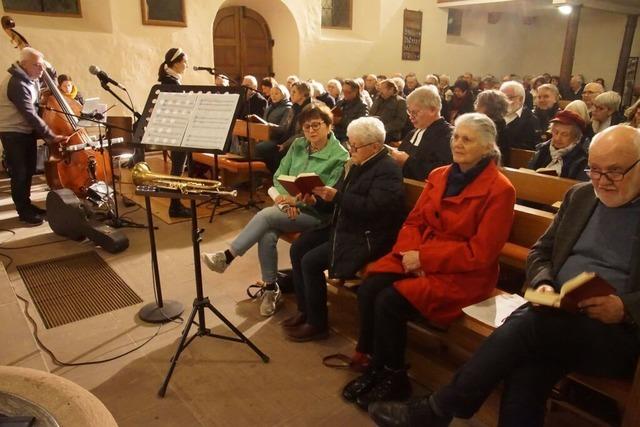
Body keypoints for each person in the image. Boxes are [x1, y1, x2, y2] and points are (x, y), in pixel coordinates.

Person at [369, 124, 640, 427]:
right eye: (594, 170)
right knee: (528, 364)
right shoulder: (581, 196)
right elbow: (541, 252)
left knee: (531, 327)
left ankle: (440, 408)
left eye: (614, 172)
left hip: (618, 332)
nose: (602, 182)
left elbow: (484, 250)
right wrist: (544, 282)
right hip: (559, 310)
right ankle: (434, 407)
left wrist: (624, 308)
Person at [342, 113, 516, 411]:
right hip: (419, 256)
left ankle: (395, 377)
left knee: (389, 301)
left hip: (464, 272)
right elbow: (413, 222)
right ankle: (375, 364)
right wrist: (412, 255)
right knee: (371, 286)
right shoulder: (439, 175)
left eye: (467, 139)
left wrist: (426, 259)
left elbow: (481, 252)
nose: (457, 144)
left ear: (487, 147)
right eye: (456, 137)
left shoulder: (500, 189)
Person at [202, 103, 349, 317]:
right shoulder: (299, 144)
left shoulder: (339, 156)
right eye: (306, 127)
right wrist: (283, 202)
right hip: (288, 207)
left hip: (318, 216)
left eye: (316, 125)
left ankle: (227, 256)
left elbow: (326, 195)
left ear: (329, 126)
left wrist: (292, 202)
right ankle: (271, 289)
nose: (311, 131)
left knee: (265, 216)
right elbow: (279, 175)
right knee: (267, 234)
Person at [285, 117, 405, 341]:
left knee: (310, 262)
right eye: (350, 143)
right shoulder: (357, 163)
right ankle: (305, 310)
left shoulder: (386, 170)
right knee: (299, 247)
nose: (351, 149)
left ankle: (317, 323)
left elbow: (374, 209)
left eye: (355, 146)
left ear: (375, 147)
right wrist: (316, 201)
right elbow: (336, 199)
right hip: (345, 224)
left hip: (366, 235)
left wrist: (337, 196)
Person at [0, 47, 66, 225]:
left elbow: (49, 77)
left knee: (29, 170)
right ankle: (23, 211)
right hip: (12, 132)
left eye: (41, 65)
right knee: (20, 172)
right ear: (23, 64)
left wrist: (46, 66)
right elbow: (30, 114)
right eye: (37, 66)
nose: (41, 70)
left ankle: (27, 205)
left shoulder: (30, 78)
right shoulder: (16, 83)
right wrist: (50, 135)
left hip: (25, 131)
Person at [387, 86, 453, 180]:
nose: (411, 117)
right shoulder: (412, 133)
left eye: (415, 112)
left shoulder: (449, 136)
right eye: (409, 112)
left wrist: (407, 162)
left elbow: (441, 173)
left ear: (433, 110)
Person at [157, 47, 192, 218]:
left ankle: (176, 204)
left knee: (178, 169)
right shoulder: (170, 82)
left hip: (177, 130)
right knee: (177, 170)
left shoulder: (171, 79)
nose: (186, 65)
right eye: (185, 61)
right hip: (177, 132)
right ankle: (175, 206)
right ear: (177, 63)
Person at [255, 81, 311, 173]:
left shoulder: (309, 109)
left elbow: (302, 134)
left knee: (270, 152)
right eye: (291, 92)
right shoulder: (294, 108)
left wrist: (285, 145)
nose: (291, 94)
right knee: (261, 148)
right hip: (285, 139)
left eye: (294, 92)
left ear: (303, 94)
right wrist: (269, 127)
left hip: (299, 142)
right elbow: (285, 127)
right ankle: (273, 176)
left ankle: (277, 177)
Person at [528, 110, 589, 180]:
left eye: (564, 134)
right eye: (556, 132)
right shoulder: (542, 149)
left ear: (576, 137)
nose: (558, 138)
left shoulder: (582, 160)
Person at [500, 81, 538, 151]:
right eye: (502, 98)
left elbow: (528, 150)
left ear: (520, 99)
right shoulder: (495, 115)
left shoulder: (531, 120)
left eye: (509, 97)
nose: (504, 101)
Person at [474, 89, 509, 164]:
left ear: (487, 107)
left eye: (478, 104)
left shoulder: (490, 128)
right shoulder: (501, 124)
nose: (476, 108)